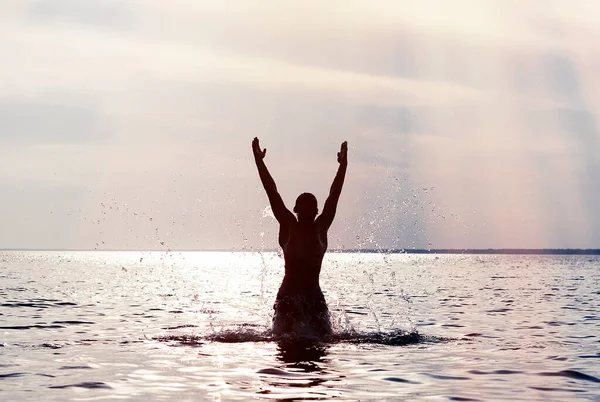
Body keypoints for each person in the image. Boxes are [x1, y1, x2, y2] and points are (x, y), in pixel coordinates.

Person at [252, 137, 348, 338]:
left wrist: (343, 166)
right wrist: (259, 160)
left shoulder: (320, 227)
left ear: (316, 211)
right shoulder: (288, 225)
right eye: (302, 209)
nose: (306, 213)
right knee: (283, 342)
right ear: (296, 210)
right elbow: (271, 191)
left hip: (314, 298)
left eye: (310, 209)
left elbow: (334, 196)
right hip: (287, 297)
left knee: (325, 343)